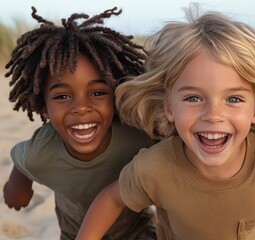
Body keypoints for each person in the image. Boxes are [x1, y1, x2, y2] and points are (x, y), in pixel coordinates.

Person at [75, 4, 255, 240]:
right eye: (193, 98)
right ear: (169, 108)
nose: (213, 115)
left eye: (233, 99)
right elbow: (112, 198)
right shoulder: (154, 168)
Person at [3, 6, 157, 240]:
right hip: (74, 233)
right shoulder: (42, 151)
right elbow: (22, 160)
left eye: (97, 93)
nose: (81, 107)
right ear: (43, 106)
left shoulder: (137, 136)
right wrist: (18, 189)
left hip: (136, 232)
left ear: (115, 96)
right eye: (62, 97)